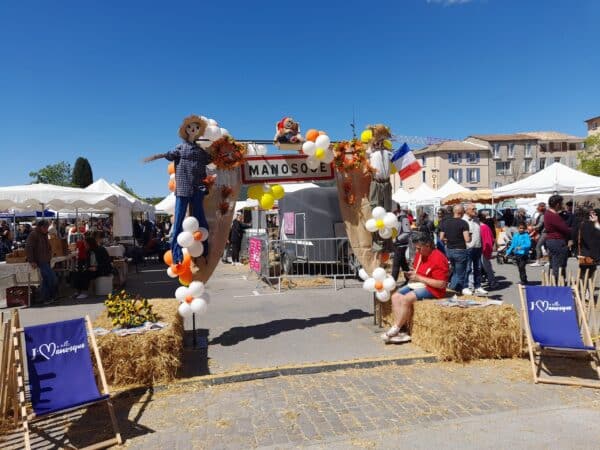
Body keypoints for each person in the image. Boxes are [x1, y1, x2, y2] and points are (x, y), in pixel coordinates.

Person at [144, 115, 212, 263]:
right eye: (190, 127)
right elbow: (169, 155)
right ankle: (177, 255)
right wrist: (161, 156)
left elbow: (210, 159)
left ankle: (205, 250)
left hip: (197, 188)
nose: (193, 129)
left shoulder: (201, 152)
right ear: (186, 130)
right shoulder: (180, 148)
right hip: (183, 188)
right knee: (179, 220)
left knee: (201, 220)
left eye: (196, 127)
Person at [381, 233, 449, 344]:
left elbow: (441, 284)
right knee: (395, 296)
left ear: (428, 245)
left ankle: (396, 328)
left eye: (419, 248)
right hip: (419, 283)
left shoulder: (439, 258)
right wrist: (413, 274)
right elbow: (419, 272)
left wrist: (418, 278)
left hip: (433, 289)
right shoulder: (420, 255)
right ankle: (401, 328)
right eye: (416, 248)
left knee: (406, 299)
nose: (417, 251)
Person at [439, 205, 471, 294]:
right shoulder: (463, 223)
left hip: (449, 250)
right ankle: (454, 291)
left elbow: (441, 238)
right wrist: (470, 236)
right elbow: (467, 239)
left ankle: (451, 289)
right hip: (460, 250)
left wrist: (449, 239)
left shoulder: (445, 222)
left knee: (455, 271)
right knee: (460, 274)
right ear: (461, 212)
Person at [25, 220, 57, 305]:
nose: (47, 229)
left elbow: (48, 246)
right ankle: (48, 297)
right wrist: (31, 261)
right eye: (46, 227)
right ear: (41, 227)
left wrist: (50, 253)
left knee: (47, 280)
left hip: (46, 260)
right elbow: (29, 248)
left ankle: (47, 298)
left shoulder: (44, 234)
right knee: (51, 278)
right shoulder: (33, 234)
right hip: (40, 261)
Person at [544, 194, 571, 283]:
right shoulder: (553, 215)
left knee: (554, 262)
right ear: (557, 204)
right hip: (557, 241)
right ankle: (557, 283)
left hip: (552, 240)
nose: (563, 205)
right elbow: (565, 229)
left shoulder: (549, 213)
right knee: (559, 264)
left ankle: (555, 282)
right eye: (561, 203)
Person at [463, 204, 487, 295]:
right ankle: (466, 286)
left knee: (478, 268)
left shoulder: (476, 219)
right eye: (473, 209)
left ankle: (478, 286)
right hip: (468, 247)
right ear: (467, 210)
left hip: (478, 246)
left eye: (475, 209)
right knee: (468, 268)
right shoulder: (464, 220)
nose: (475, 210)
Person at [577, 208, 600, 282]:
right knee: (587, 273)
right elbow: (591, 239)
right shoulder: (588, 225)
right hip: (589, 253)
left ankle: (585, 290)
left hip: (586, 252)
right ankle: (585, 291)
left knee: (587, 272)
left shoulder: (584, 223)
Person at [391, 209, 412, 283]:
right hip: (398, 244)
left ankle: (392, 284)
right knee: (403, 264)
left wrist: (397, 239)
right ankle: (409, 280)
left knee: (396, 265)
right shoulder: (396, 218)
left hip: (401, 245)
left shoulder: (403, 218)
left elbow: (407, 232)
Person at [479, 212, 498, 290]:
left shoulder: (483, 227)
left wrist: (488, 251)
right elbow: (490, 240)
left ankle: (492, 282)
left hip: (483, 250)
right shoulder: (483, 227)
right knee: (485, 267)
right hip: (481, 250)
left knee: (486, 267)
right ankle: (491, 282)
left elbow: (487, 241)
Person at [530, 202, 547, 267]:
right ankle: (549, 261)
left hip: (544, 232)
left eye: (539, 206)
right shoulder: (541, 214)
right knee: (546, 246)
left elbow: (541, 224)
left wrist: (533, 227)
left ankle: (538, 261)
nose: (537, 208)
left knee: (538, 246)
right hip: (543, 232)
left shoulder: (543, 215)